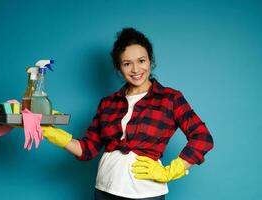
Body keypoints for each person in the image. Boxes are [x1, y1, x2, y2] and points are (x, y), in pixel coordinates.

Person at [42, 28, 214, 200]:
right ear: (119, 67)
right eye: (127, 63)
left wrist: (171, 171)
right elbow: (88, 149)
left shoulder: (171, 98)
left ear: (150, 60)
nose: (135, 69)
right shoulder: (108, 103)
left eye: (141, 61)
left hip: (147, 193)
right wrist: (53, 133)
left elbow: (202, 137)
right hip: (104, 190)